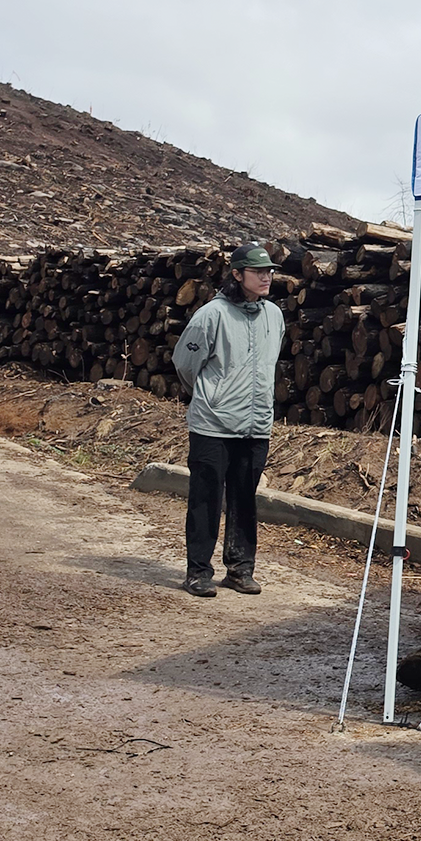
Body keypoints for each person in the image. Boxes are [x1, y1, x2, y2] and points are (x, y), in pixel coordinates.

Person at [173, 243, 284, 598]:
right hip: (212, 425)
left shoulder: (274, 315)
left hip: (256, 425)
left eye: (269, 271)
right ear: (237, 274)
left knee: (245, 498)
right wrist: (213, 396)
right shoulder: (211, 315)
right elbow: (185, 364)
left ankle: (239, 570)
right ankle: (198, 572)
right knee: (205, 498)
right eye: (258, 271)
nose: (266, 277)